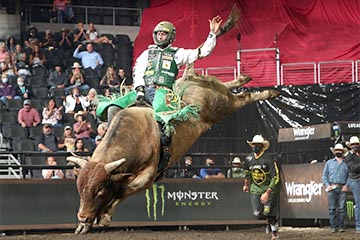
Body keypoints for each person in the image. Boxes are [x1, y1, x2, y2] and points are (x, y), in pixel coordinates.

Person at [242, 135, 280, 240]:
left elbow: (275, 177)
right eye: (253, 144)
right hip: (255, 189)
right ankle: (270, 222)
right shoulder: (248, 159)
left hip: (268, 189)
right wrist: (246, 184)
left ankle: (274, 231)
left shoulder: (269, 159)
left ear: (262, 146)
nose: (255, 147)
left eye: (257, 145)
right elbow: (247, 173)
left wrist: (268, 192)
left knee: (268, 212)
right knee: (257, 214)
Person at [322, 143, 349, 233]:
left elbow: (350, 176)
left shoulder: (346, 163)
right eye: (336, 150)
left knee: (341, 208)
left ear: (342, 152)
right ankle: (333, 227)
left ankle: (341, 226)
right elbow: (324, 176)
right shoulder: (329, 163)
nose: (338, 152)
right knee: (332, 208)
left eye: (339, 150)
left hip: (342, 188)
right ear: (334, 152)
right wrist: (327, 185)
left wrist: (346, 185)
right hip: (332, 187)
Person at [344, 136, 360, 234]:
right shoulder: (348, 156)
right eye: (353, 145)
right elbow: (353, 168)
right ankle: (358, 226)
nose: (355, 146)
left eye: (356, 144)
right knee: (359, 203)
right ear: (350, 146)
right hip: (355, 180)